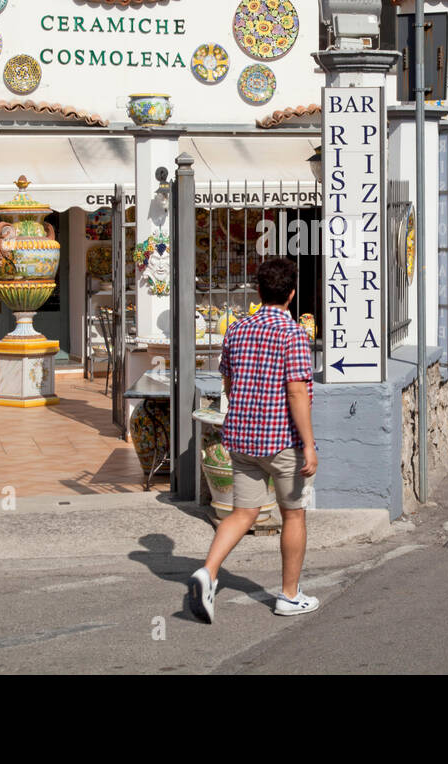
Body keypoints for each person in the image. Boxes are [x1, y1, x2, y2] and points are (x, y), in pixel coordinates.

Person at [188, 257, 319, 623]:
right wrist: (308, 443)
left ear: (258, 292)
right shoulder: (293, 334)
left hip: (242, 438)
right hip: (281, 440)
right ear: (292, 294)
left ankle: (208, 572)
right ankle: (289, 596)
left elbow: (228, 383)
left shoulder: (237, 330)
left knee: (242, 513)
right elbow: (296, 392)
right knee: (293, 514)